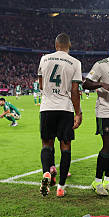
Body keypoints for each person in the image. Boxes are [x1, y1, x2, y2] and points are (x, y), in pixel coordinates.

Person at [38, 33, 82, 198]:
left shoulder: (44, 59)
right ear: (69, 45)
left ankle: (46, 172)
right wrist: (78, 113)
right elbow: (75, 90)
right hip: (65, 108)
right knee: (65, 145)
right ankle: (61, 187)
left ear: (56, 45)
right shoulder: (75, 62)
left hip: (47, 107)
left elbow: (41, 85)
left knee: (46, 143)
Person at [84, 39, 109, 196]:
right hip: (105, 111)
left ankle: (107, 180)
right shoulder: (101, 65)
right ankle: (97, 181)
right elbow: (86, 84)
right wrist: (102, 84)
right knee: (108, 145)